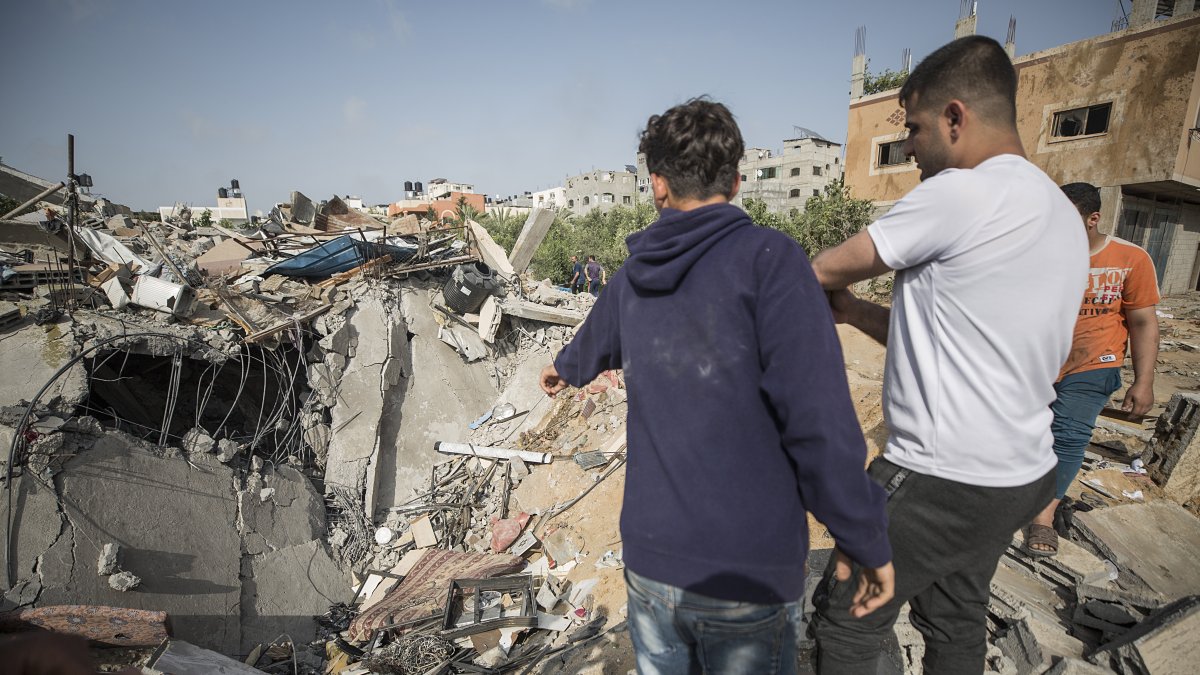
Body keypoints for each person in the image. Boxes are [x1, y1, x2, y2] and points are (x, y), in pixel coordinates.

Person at [539, 97, 894, 675]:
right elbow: (818, 424)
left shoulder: (630, 278)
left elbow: (590, 346)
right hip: (745, 570)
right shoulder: (771, 261)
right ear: (736, 178)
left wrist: (562, 366)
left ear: (657, 185)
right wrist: (864, 536)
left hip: (652, 564)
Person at [808, 36, 1088, 674]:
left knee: (847, 622)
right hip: (1018, 474)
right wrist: (853, 313)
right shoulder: (1058, 213)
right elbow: (957, 337)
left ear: (956, 118)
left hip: (941, 477)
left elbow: (820, 269)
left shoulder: (962, 193)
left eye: (914, 127)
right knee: (955, 619)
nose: (908, 145)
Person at [1024, 183, 1159, 556]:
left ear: (1092, 219)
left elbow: (1144, 323)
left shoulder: (1130, 259)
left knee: (1068, 434)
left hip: (1096, 362)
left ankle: (1043, 517)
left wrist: (1143, 381)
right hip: (1040, 364)